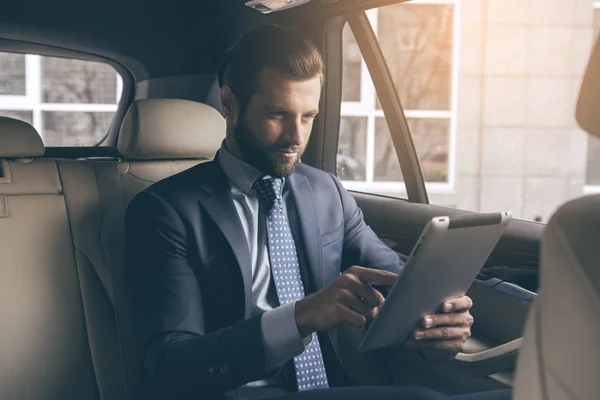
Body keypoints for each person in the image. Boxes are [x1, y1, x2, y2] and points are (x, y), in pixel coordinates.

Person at [124, 24, 511, 400]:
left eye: (308, 116)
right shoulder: (165, 211)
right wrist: (300, 316)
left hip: (335, 387)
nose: (296, 137)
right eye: (278, 114)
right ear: (229, 103)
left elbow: (398, 281)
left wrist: (438, 320)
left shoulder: (326, 192)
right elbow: (170, 362)